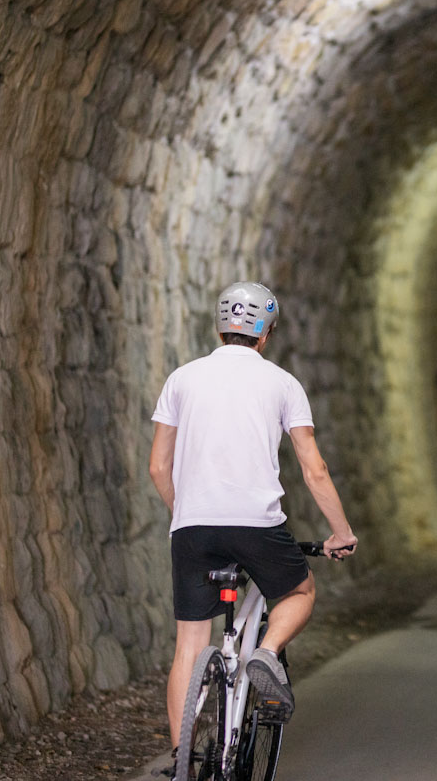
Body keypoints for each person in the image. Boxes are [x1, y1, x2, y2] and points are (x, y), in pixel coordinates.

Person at [148, 281, 358, 751]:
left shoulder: (182, 378)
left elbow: (158, 466)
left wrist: (187, 512)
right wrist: (341, 532)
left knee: (189, 645)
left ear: (219, 328)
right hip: (256, 525)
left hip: (193, 526)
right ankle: (266, 651)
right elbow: (314, 469)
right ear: (265, 334)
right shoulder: (283, 383)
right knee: (301, 591)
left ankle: (182, 760)